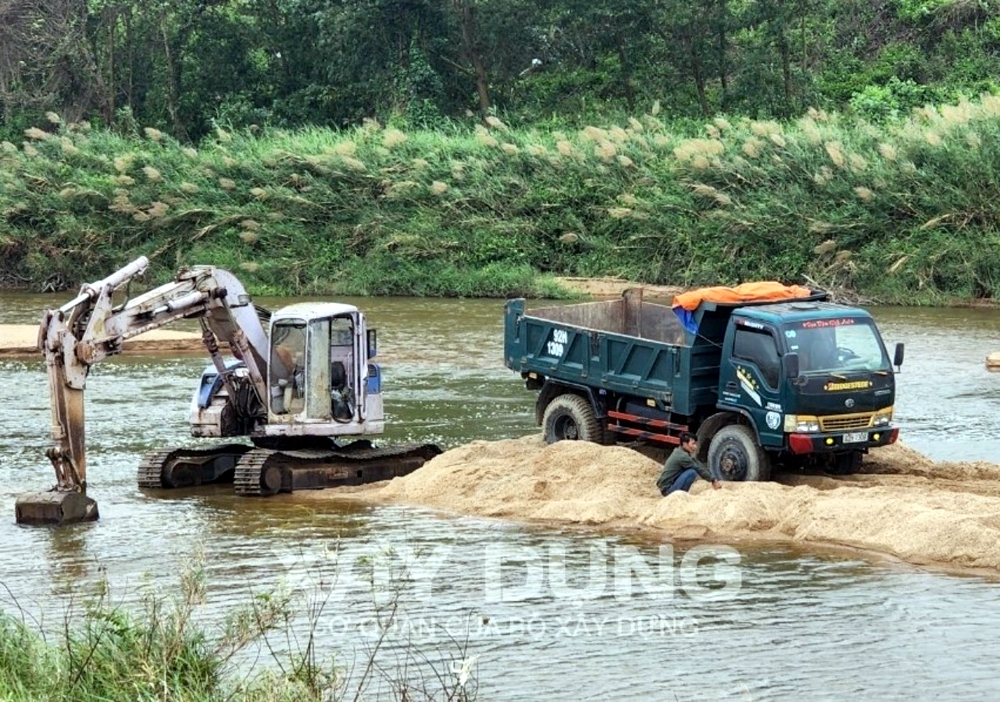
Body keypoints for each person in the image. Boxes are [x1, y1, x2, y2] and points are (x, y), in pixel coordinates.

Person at [656, 432, 722, 496]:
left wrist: (712, 478)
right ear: (684, 444)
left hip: (667, 486)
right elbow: (698, 468)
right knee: (692, 472)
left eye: (695, 444)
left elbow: (698, 464)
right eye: (693, 444)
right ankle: (681, 495)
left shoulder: (681, 452)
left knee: (692, 469)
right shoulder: (682, 457)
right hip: (667, 489)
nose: (695, 447)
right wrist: (713, 480)